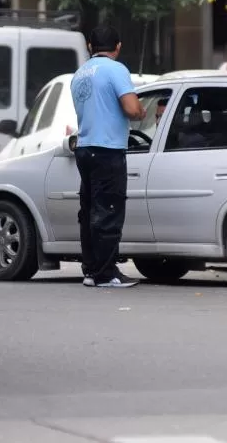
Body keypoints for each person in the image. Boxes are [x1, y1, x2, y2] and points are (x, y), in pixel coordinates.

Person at [70, 25, 146, 288]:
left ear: (90, 46)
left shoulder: (79, 75)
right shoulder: (116, 69)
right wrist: (140, 113)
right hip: (108, 150)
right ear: (118, 46)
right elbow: (131, 108)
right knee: (108, 211)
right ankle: (106, 273)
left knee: (89, 211)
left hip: (84, 148)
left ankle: (91, 271)